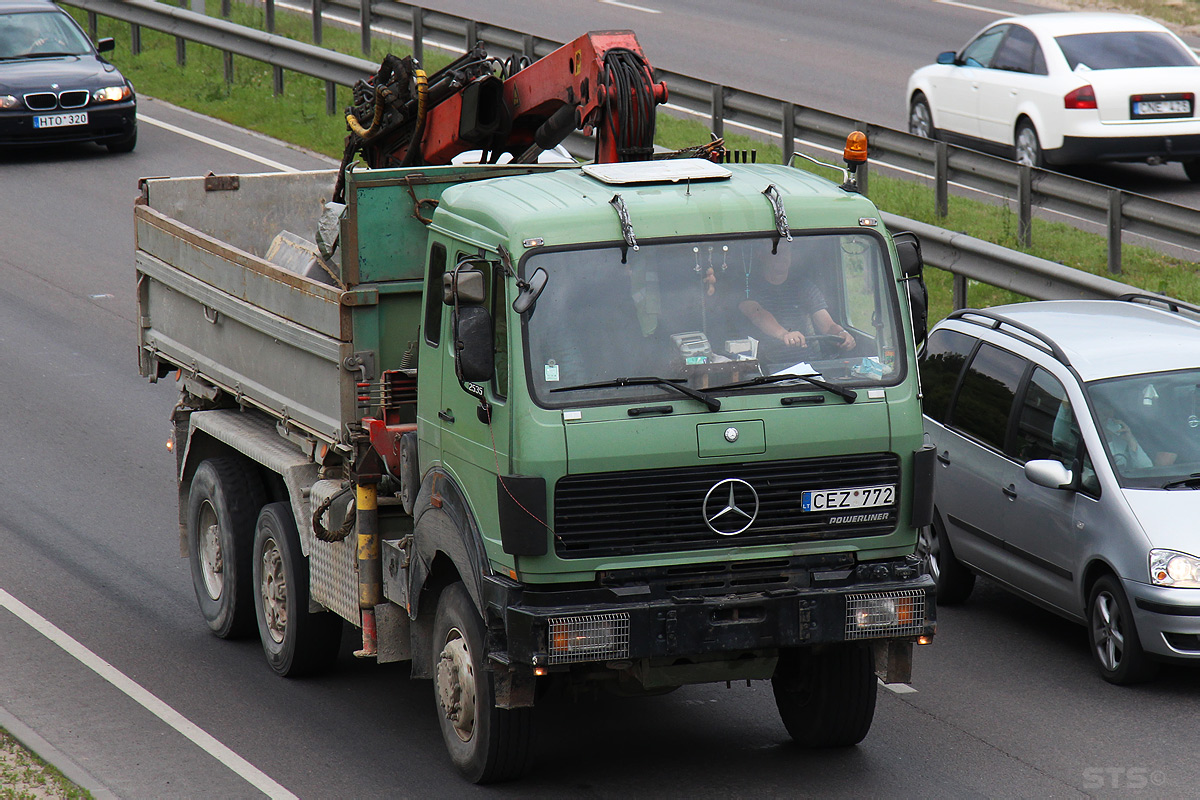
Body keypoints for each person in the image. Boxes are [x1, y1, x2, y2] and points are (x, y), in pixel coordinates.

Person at [737, 244, 855, 361]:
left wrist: (841, 333)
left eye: (786, 251)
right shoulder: (748, 288)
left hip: (808, 366)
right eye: (776, 251)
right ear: (760, 255)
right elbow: (757, 314)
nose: (782, 256)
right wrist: (784, 334)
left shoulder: (803, 286)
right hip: (766, 368)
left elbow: (828, 325)